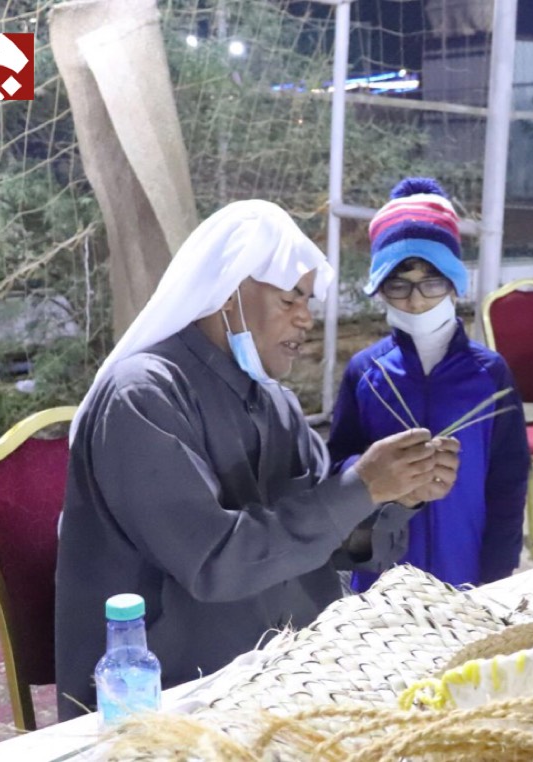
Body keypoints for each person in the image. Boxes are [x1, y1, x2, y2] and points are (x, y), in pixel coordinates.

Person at [54, 201, 459, 719]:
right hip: (167, 700)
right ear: (227, 294)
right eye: (290, 299)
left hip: (280, 675)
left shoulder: (275, 402)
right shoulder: (143, 396)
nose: (306, 318)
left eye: (307, 301)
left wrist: (393, 495)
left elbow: (322, 543)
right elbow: (216, 564)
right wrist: (359, 488)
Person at [329, 177, 529, 590]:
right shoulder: (366, 373)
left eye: (432, 282)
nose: (417, 300)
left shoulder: (489, 375)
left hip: (467, 572)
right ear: (379, 288)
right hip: (383, 580)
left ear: (455, 282)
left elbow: (508, 483)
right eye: (398, 285)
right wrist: (379, 470)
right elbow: (336, 469)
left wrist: (497, 576)